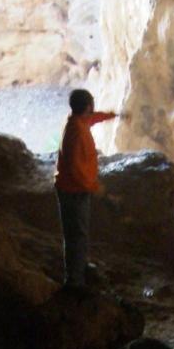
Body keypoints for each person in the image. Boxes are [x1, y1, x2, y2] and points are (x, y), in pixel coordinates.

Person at [54, 89, 122, 288]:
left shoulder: (78, 122)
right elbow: (76, 169)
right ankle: (74, 282)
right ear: (87, 107)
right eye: (92, 105)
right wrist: (94, 187)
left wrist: (113, 116)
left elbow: (93, 118)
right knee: (76, 235)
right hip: (73, 190)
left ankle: (79, 268)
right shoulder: (77, 133)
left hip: (74, 188)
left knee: (78, 233)